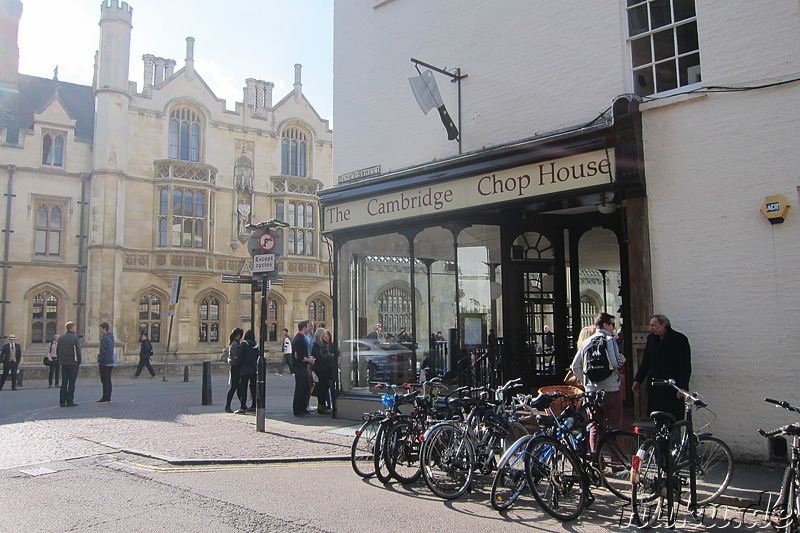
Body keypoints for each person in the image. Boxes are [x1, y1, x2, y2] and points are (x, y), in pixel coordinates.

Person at [571, 312, 624, 451]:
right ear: (605, 325)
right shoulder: (609, 339)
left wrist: (586, 382)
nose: (614, 327)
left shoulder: (586, 341)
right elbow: (615, 362)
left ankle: (597, 462)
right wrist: (622, 360)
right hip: (610, 390)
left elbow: (575, 366)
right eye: (612, 324)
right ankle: (616, 463)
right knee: (614, 427)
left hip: (591, 392)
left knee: (594, 427)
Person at [632, 314, 692, 420]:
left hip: (672, 387)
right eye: (650, 326)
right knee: (656, 418)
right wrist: (638, 380)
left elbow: (685, 365)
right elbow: (646, 362)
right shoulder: (651, 339)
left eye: (654, 325)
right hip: (655, 386)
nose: (651, 328)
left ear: (664, 325)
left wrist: (682, 387)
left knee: (673, 420)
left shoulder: (679, 339)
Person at [291, 320, 315, 417]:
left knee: (305, 387)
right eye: (308, 326)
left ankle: (303, 408)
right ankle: (298, 410)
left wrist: (309, 358)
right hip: (299, 367)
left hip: (302, 366)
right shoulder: (299, 339)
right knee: (300, 388)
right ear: (304, 327)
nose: (310, 328)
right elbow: (298, 356)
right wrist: (309, 360)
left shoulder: (301, 338)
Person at [56, 322, 82, 407]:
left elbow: (58, 351)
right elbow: (78, 351)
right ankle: (69, 400)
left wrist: (60, 360)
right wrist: (79, 361)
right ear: (72, 328)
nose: (75, 328)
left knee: (64, 382)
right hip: (73, 363)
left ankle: (62, 401)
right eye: (75, 327)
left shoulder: (61, 338)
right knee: (71, 382)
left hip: (64, 363)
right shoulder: (75, 338)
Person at [311, 328, 334, 414]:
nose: (326, 335)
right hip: (321, 369)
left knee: (324, 388)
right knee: (322, 388)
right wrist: (330, 356)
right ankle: (321, 406)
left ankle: (322, 405)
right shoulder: (316, 344)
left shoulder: (322, 344)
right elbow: (320, 357)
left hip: (325, 368)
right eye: (324, 334)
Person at [235, 330, 258, 414]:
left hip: (245, 369)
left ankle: (243, 407)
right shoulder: (256, 345)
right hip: (254, 369)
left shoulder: (244, 344)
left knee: (243, 388)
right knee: (253, 388)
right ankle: (254, 405)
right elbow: (257, 356)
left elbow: (240, 357)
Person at [224, 328, 244, 413]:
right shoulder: (235, 344)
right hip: (235, 367)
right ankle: (227, 406)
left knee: (238, 387)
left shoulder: (234, 343)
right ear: (238, 335)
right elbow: (236, 357)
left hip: (235, 367)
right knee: (234, 387)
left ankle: (243, 404)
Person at [97, 322, 115, 403]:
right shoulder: (111, 338)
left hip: (105, 362)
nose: (99, 330)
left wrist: (100, 360)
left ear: (104, 329)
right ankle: (108, 397)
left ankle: (105, 397)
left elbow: (103, 351)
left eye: (100, 328)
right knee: (108, 380)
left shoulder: (104, 338)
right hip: (110, 360)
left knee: (104, 380)